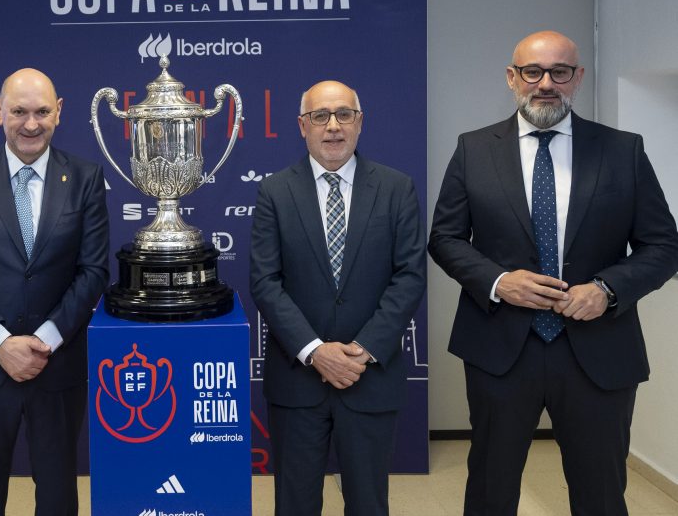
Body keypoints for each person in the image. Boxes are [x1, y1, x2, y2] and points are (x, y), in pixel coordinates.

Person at [429, 30, 678, 515]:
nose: (546, 83)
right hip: (500, 349)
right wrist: (500, 281)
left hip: (599, 349)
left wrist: (607, 289)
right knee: (489, 489)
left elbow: (664, 245)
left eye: (559, 72)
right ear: (512, 77)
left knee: (601, 493)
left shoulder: (622, 150)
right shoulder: (473, 149)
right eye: (532, 72)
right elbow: (444, 238)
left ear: (577, 78)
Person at [0, 68, 109, 516]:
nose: (30, 124)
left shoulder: (86, 177)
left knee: (57, 495)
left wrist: (45, 340)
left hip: (57, 366)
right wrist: (2, 344)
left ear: (59, 113)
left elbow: (92, 271)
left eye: (41, 112)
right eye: (18, 112)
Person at [250, 80, 426, 515]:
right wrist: (315, 352)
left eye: (344, 114)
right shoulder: (275, 191)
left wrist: (362, 351)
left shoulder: (395, 187)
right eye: (320, 116)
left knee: (368, 503)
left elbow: (409, 277)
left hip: (370, 377)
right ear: (301, 126)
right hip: (298, 379)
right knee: (296, 503)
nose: (333, 126)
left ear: (360, 123)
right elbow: (265, 282)